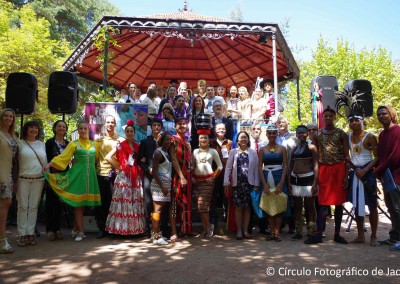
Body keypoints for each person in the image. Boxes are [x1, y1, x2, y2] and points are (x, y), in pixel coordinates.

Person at [44, 121, 101, 242]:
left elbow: (98, 159)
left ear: (88, 130)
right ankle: (81, 232)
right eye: (80, 128)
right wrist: (49, 164)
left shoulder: (95, 144)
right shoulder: (73, 144)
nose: (83, 131)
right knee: (78, 204)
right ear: (78, 130)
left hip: (90, 177)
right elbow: (63, 157)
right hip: (78, 176)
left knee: (85, 204)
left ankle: (75, 229)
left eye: (85, 128)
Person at [313, 107, 350, 244]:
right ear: (323, 118)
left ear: (334, 117)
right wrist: (316, 179)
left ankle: (337, 234)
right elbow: (315, 158)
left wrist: (346, 175)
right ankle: (319, 233)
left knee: (339, 203)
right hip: (324, 169)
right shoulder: (317, 135)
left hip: (339, 168)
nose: (328, 118)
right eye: (326, 116)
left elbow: (347, 156)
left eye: (330, 116)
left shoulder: (341, 134)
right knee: (322, 203)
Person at [104, 120, 146, 236]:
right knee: (123, 203)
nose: (129, 133)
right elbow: (108, 157)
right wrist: (119, 167)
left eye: (131, 131)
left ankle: (134, 229)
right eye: (127, 131)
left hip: (135, 176)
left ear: (134, 133)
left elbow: (142, 159)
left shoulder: (138, 146)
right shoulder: (120, 145)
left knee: (134, 202)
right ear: (125, 133)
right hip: (124, 178)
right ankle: (120, 229)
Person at [347, 115, 378, 246]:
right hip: (355, 173)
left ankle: (374, 236)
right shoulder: (348, 137)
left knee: (372, 205)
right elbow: (346, 155)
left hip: (368, 173)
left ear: (362, 122)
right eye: (351, 121)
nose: (354, 123)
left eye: (356, 121)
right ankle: (360, 235)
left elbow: (378, 157)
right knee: (357, 205)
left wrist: (365, 170)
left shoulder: (370, 136)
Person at [16, 121, 47, 247]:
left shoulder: (42, 144)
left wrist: (47, 179)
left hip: (39, 179)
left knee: (33, 207)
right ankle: (22, 234)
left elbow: (45, 162)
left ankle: (30, 233)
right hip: (22, 178)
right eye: (31, 127)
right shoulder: (19, 143)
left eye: (36, 128)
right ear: (26, 129)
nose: (34, 130)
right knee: (22, 206)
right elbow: (15, 162)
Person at [224, 131, 259, 240]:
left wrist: (257, 184)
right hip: (237, 184)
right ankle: (239, 230)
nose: (243, 139)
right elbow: (228, 168)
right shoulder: (233, 152)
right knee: (238, 208)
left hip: (250, 184)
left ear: (248, 140)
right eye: (241, 137)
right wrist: (226, 182)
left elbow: (257, 169)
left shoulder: (253, 152)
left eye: (245, 137)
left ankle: (245, 230)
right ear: (237, 140)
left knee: (248, 207)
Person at [373, 106, 400, 250]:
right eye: (379, 114)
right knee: (391, 207)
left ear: (391, 114)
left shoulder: (397, 131)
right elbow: (381, 156)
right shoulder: (382, 135)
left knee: (398, 207)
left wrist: (378, 170)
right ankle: (394, 236)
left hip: (396, 176)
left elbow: (395, 156)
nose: (381, 116)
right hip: (386, 176)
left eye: (384, 113)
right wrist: (379, 171)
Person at [94, 115, 124, 239]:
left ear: (115, 124)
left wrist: (119, 168)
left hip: (116, 176)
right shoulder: (98, 141)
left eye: (112, 122)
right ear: (105, 124)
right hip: (101, 174)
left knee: (114, 203)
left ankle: (113, 228)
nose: (110, 124)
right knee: (101, 203)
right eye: (108, 122)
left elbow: (124, 158)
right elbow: (95, 159)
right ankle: (101, 228)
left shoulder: (121, 140)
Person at [288, 125, 319, 243]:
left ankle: (311, 232)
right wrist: (289, 181)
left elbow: (316, 165)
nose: (301, 135)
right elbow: (290, 166)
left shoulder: (312, 148)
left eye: (303, 133)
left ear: (307, 134)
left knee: (310, 206)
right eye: (299, 133)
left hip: (308, 179)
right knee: (297, 206)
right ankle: (298, 231)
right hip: (295, 180)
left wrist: (315, 182)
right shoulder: (294, 149)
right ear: (296, 135)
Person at [258, 125, 288, 242]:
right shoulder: (262, 149)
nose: (271, 135)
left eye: (273, 133)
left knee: (279, 203)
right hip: (267, 176)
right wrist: (264, 184)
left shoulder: (282, 148)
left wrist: (281, 183)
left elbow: (285, 165)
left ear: (276, 134)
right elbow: (260, 167)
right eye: (269, 133)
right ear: (266, 135)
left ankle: (277, 232)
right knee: (269, 204)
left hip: (279, 175)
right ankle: (271, 232)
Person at [138, 118, 166, 237]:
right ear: (151, 127)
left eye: (158, 125)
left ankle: (161, 228)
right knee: (148, 202)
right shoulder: (145, 142)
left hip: (163, 176)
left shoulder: (165, 142)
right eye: (154, 125)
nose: (156, 127)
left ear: (161, 127)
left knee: (161, 202)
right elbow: (140, 160)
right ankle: (149, 227)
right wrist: (147, 169)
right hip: (149, 176)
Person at [192, 129, 223, 237]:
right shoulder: (195, 151)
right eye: (201, 138)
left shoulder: (213, 151)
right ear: (198, 140)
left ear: (209, 139)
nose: (203, 139)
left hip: (208, 182)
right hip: (197, 182)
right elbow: (192, 166)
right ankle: (205, 230)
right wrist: (191, 177)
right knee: (200, 207)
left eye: (205, 138)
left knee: (203, 206)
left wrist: (213, 177)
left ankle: (208, 229)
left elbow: (220, 166)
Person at [45, 120, 69, 241]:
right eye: (59, 126)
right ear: (54, 128)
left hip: (64, 177)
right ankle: (50, 230)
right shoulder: (49, 143)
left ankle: (57, 229)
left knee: (60, 203)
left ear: (66, 129)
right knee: (50, 202)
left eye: (63, 127)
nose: (61, 128)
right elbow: (46, 159)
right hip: (52, 176)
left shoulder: (68, 143)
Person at [169, 118, 192, 241]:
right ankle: (173, 232)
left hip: (187, 176)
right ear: (175, 126)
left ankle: (185, 229)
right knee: (174, 204)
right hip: (176, 177)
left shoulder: (187, 142)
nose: (183, 126)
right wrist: (181, 176)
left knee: (185, 204)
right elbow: (173, 159)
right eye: (180, 124)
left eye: (184, 124)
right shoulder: (173, 140)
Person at [0, 108, 18, 254]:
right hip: (1, 174)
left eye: (11, 116)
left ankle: (2, 239)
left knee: (6, 205)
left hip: (9, 174)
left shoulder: (12, 136)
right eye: (5, 116)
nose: (8, 118)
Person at [209, 122, 233, 232]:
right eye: (219, 128)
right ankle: (212, 221)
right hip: (213, 174)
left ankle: (226, 220)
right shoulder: (210, 142)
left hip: (225, 175)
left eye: (223, 128)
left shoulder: (229, 143)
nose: (221, 130)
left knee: (226, 197)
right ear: (214, 130)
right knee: (213, 198)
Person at [150, 132, 172, 245]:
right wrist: (162, 186)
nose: (168, 142)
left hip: (165, 185)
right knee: (157, 211)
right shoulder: (158, 153)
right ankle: (156, 237)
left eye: (169, 140)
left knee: (159, 211)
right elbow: (154, 172)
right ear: (161, 141)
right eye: (166, 140)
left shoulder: (166, 152)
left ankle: (155, 233)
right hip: (159, 186)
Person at [249, 123, 268, 235]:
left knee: (263, 201)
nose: (256, 131)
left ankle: (263, 227)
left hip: (263, 175)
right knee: (250, 201)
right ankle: (249, 226)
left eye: (258, 129)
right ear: (250, 130)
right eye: (254, 129)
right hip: (250, 176)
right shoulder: (246, 143)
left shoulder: (264, 144)